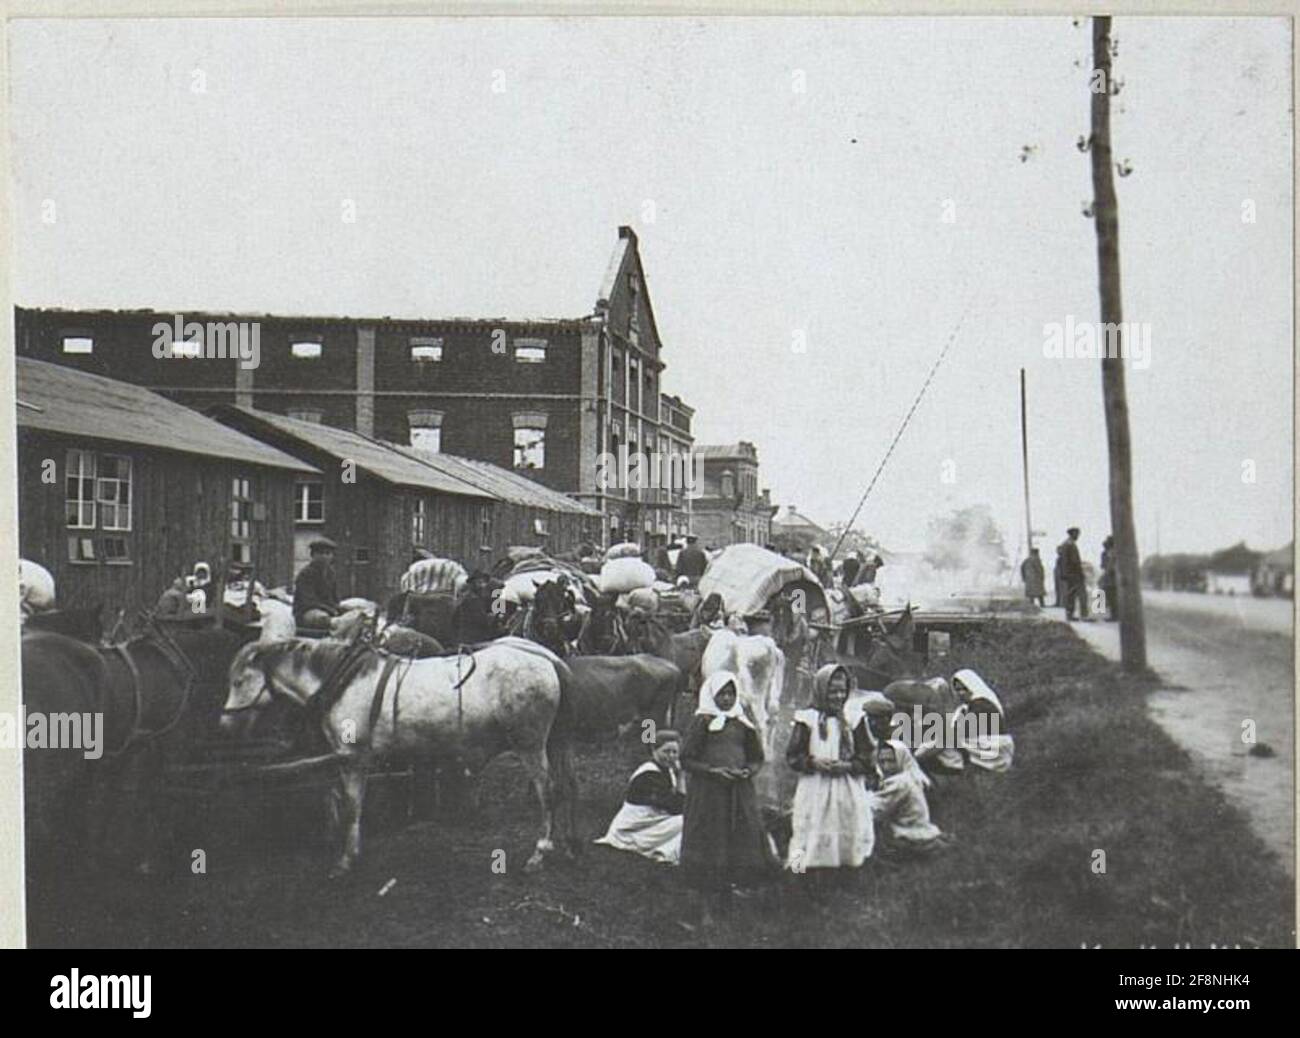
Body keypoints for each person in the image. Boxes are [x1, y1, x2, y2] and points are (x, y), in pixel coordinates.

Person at [680, 671, 776, 925]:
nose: (726, 698)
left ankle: (726, 896)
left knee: (736, 838)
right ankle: (701, 904)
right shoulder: (702, 722)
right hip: (709, 793)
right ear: (711, 694)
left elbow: (757, 756)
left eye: (731, 693)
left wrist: (748, 771)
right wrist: (713, 771)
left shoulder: (742, 724)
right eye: (721, 693)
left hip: (738, 792)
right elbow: (686, 758)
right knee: (709, 841)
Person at [784, 664, 879, 871]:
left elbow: (868, 758)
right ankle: (800, 869)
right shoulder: (807, 719)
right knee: (808, 826)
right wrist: (812, 762)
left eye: (842, 691)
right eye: (832, 691)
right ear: (820, 690)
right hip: (815, 785)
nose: (837, 696)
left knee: (844, 824)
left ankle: (844, 869)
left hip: (847, 786)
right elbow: (793, 756)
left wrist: (848, 766)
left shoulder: (854, 719)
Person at [594, 729, 686, 864]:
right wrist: (681, 779)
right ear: (654, 750)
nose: (671, 756)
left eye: (675, 752)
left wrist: (679, 776)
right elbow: (676, 807)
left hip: (650, 822)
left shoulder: (669, 771)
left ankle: (666, 852)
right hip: (631, 829)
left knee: (689, 819)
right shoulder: (649, 774)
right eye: (666, 751)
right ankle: (664, 853)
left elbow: (679, 805)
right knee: (687, 821)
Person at [950, 668, 1015, 772]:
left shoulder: (981, 704)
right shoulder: (967, 706)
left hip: (996, 750)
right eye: (957, 690)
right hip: (985, 744)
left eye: (964, 689)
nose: (960, 693)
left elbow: (963, 731)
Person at [293, 537, 340, 629]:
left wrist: (338, 608)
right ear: (313, 555)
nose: (325, 557)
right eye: (321, 553)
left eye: (328, 553)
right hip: (307, 612)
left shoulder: (331, 573)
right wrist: (330, 610)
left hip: (328, 610)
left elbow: (335, 598)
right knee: (322, 618)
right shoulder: (306, 574)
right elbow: (308, 602)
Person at [1057, 527, 1088, 621]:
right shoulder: (1070, 545)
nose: (1078, 536)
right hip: (1074, 574)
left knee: (1071, 595)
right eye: (1077, 534)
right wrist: (1081, 573)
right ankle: (1084, 615)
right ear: (1072, 534)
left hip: (1068, 574)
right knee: (1082, 594)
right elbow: (1075, 561)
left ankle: (1069, 614)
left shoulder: (1065, 545)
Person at [1098, 536, 1117, 621]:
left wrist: (1108, 570)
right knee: (1111, 595)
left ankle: (1114, 615)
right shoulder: (1111, 552)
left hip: (1111, 577)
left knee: (1112, 596)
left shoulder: (1112, 553)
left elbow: (1108, 566)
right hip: (1111, 577)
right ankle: (1111, 613)